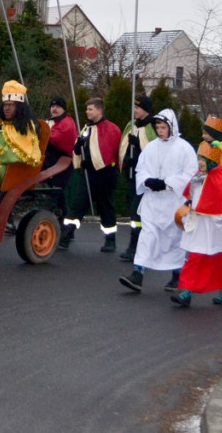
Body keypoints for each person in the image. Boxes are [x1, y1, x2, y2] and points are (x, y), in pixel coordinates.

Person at [119, 108, 196, 294]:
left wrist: (167, 184)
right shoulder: (152, 146)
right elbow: (141, 168)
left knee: (174, 240)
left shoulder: (184, 148)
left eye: (163, 127)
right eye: (158, 127)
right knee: (147, 237)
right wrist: (148, 181)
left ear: (171, 127)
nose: (160, 130)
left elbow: (190, 174)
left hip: (173, 203)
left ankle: (177, 275)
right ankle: (138, 274)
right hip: (153, 203)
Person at [170, 141, 222, 307]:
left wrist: (209, 213)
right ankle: (186, 291)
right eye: (200, 158)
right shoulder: (199, 175)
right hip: (202, 224)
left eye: (204, 159)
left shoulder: (220, 177)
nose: (201, 162)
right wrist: (189, 205)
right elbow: (193, 194)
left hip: (218, 226)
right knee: (196, 256)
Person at [0, 81, 42, 221]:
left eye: (11, 105)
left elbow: (22, 152)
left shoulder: (26, 126)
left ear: (20, 107)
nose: (7, 108)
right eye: (5, 105)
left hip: (12, 166)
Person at [64, 98, 121, 252]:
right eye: (87, 109)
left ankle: (110, 240)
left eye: (90, 109)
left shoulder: (111, 129)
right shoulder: (86, 128)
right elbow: (79, 148)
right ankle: (66, 235)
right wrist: (78, 148)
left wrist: (95, 163)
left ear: (99, 110)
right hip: (87, 174)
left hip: (104, 175)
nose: (87, 112)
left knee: (106, 208)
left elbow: (109, 151)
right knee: (77, 205)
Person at [117, 95, 158, 261]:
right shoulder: (131, 125)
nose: (135, 110)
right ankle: (138, 246)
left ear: (145, 109)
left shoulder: (152, 127)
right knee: (135, 212)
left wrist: (138, 150)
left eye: (138, 107)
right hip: (131, 175)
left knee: (138, 214)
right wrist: (127, 158)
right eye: (134, 107)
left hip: (145, 179)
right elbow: (124, 147)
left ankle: (135, 247)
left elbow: (154, 151)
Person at [40, 97, 75, 241]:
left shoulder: (67, 123)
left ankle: (51, 228)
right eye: (52, 106)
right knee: (59, 197)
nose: (54, 109)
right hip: (50, 163)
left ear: (63, 109)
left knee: (55, 195)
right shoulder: (50, 122)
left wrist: (43, 132)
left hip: (62, 164)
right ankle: (66, 230)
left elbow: (58, 139)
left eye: (58, 106)